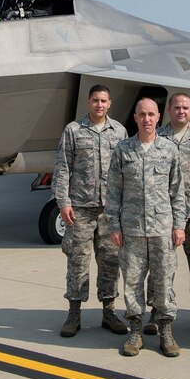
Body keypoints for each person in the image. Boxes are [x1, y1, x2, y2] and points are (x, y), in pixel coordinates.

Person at [105, 98, 186, 357]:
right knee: (132, 282)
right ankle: (136, 332)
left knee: (163, 282)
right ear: (136, 118)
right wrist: (114, 225)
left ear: (158, 117)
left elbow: (177, 191)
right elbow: (113, 191)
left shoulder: (169, 149)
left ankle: (165, 331)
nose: (147, 119)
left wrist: (179, 225)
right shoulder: (123, 149)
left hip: (163, 228)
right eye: (142, 114)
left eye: (151, 114)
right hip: (132, 229)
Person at [52, 84, 129, 337]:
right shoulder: (73, 130)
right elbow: (63, 167)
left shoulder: (119, 131)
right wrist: (63, 202)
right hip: (80, 209)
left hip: (109, 210)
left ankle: (109, 311)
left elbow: (123, 172)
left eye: (104, 100)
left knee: (110, 262)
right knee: (78, 262)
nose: (99, 104)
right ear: (88, 102)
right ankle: (74, 313)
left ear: (110, 104)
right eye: (95, 100)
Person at [147, 92, 190, 335]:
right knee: (161, 266)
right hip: (163, 215)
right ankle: (157, 311)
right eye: (177, 107)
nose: (181, 111)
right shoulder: (157, 137)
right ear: (169, 110)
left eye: (186, 108)